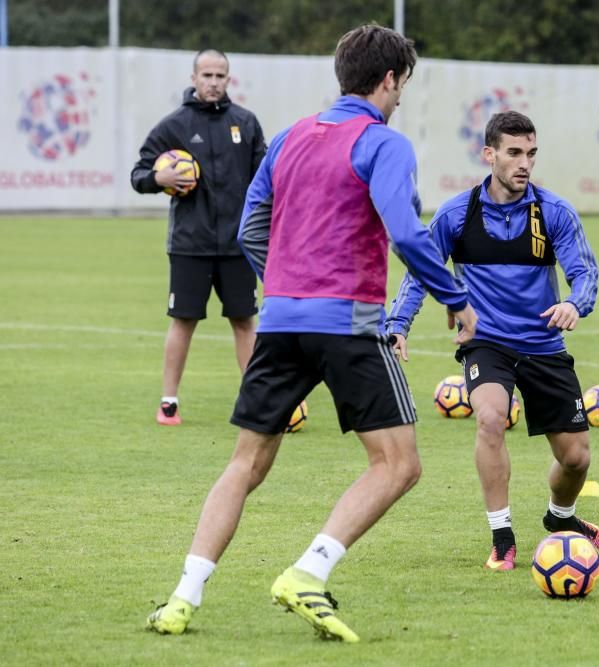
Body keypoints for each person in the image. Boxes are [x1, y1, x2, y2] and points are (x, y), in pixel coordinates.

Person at [145, 24, 478, 641]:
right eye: (401, 83)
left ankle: (181, 598)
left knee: (246, 463)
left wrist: (285, 285)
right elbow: (406, 234)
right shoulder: (385, 143)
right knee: (398, 464)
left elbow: (251, 227)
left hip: (280, 321)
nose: (400, 95)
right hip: (348, 323)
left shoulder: (292, 135)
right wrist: (456, 299)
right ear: (388, 80)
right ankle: (308, 571)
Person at [385, 110, 599, 572]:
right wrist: (398, 323)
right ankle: (502, 536)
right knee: (490, 418)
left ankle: (560, 516)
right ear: (489, 155)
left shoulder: (554, 212)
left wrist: (575, 303)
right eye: (513, 153)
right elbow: (421, 273)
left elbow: (584, 272)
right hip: (485, 341)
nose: (524, 163)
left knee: (576, 458)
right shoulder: (455, 215)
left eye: (530, 153)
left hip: (544, 344)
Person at [131, 49, 267, 426]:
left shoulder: (246, 123)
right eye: (206, 75)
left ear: (228, 79)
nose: (213, 82)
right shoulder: (174, 125)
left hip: (239, 244)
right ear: (193, 78)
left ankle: (256, 401)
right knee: (183, 320)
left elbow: (267, 178)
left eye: (219, 75)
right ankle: (168, 401)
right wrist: (159, 179)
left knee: (245, 321)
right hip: (190, 245)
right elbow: (139, 172)